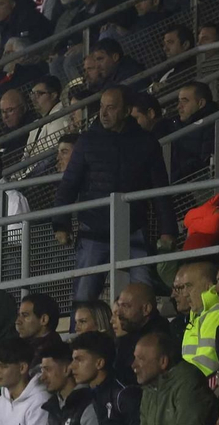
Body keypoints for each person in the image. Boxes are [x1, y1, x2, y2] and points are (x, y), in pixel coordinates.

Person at [53, 85, 175, 302]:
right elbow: (69, 183)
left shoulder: (146, 143)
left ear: (127, 111)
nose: (104, 113)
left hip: (133, 228)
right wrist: (60, 223)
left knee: (142, 293)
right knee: (84, 296)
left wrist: (168, 230)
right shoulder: (87, 141)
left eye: (111, 107)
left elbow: (160, 190)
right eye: (101, 107)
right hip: (94, 229)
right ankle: (78, 335)